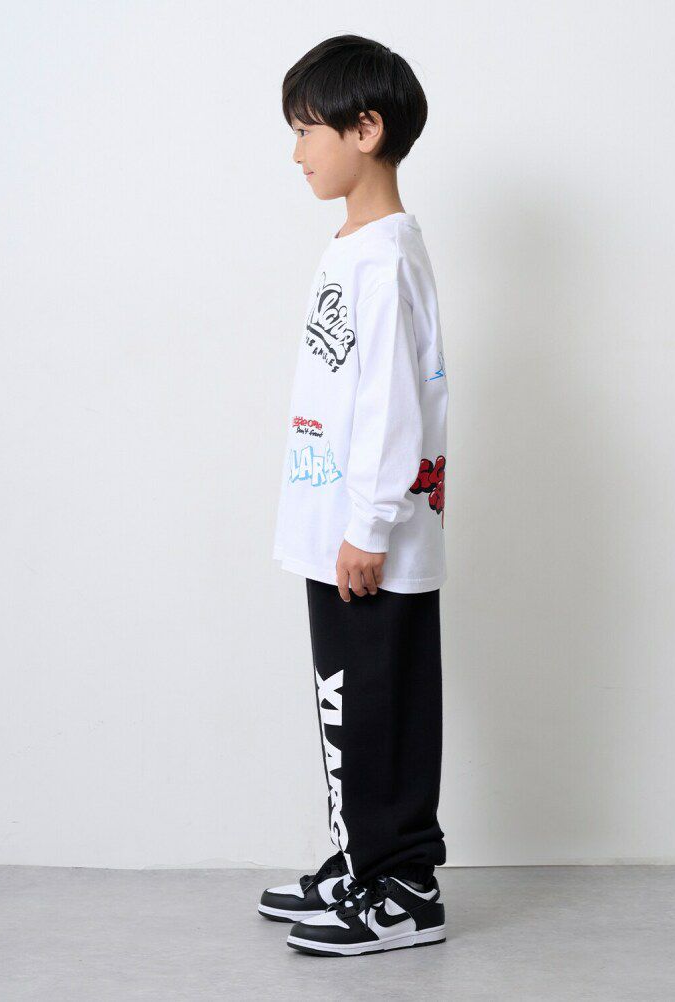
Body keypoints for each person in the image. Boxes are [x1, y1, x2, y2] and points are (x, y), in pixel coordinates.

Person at [261, 35, 449, 958]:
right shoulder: (356, 249)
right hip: (335, 528)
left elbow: (390, 407)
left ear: (364, 130)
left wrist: (369, 526)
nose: (297, 152)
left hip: (369, 540)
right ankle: (360, 861)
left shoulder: (385, 258)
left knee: (378, 707)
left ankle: (403, 885)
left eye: (308, 131)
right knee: (348, 705)